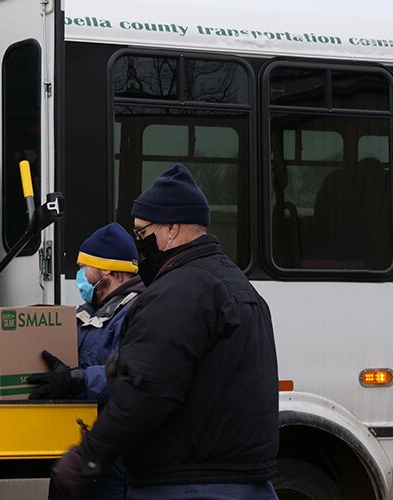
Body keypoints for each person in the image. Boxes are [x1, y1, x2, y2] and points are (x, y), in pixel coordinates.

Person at [51, 164, 279, 500]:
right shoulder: (239, 287)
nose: (139, 244)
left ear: (171, 228)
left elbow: (147, 394)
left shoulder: (178, 291)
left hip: (187, 487)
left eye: (142, 234)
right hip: (245, 485)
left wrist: (87, 457)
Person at [28, 222, 145, 500]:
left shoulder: (138, 311)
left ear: (106, 271)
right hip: (79, 446)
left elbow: (131, 373)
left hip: (115, 453)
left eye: (85, 267)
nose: (80, 275)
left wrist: (77, 380)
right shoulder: (85, 315)